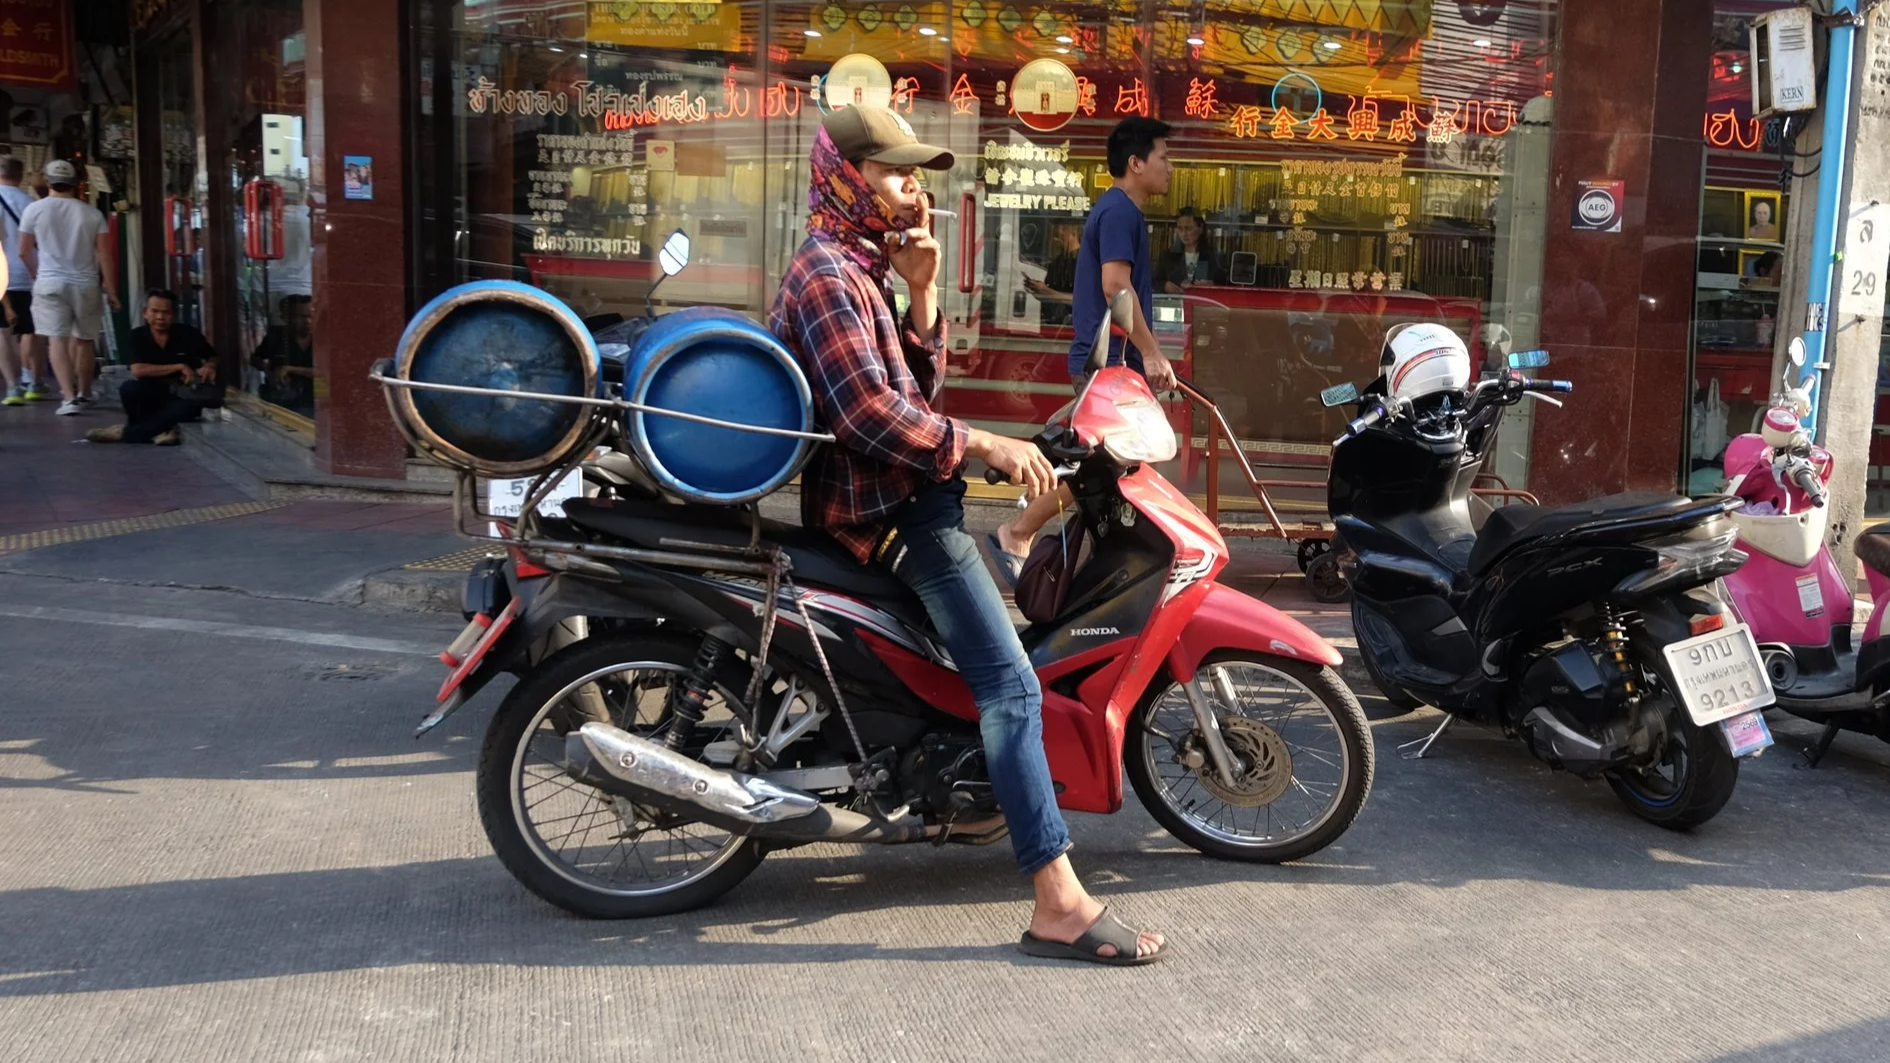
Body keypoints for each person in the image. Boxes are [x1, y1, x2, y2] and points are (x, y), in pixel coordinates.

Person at [769, 105, 1165, 965]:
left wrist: (919, 292)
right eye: (896, 174)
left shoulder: (862, 268)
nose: (913, 188)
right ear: (847, 178)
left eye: (914, 175)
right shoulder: (828, 274)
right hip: (890, 516)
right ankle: (1058, 901)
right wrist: (983, 443)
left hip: (911, 499)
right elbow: (872, 418)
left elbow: (913, 390)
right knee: (1012, 688)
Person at [990, 116, 1177, 578]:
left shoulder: (1123, 212)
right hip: (1107, 366)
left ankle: (1100, 558)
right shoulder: (1118, 212)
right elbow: (1116, 286)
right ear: (1135, 163)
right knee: (1100, 466)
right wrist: (1152, 353)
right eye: (1164, 157)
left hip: (1113, 363)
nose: (1171, 167)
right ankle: (1019, 530)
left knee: (1111, 467)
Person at [19, 159, 119, 415]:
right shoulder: (92, 213)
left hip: (49, 282)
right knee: (85, 340)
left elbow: (24, 251)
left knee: (57, 340)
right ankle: (85, 393)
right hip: (85, 283)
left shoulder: (34, 210)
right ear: (75, 183)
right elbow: (105, 255)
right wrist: (112, 289)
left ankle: (68, 397)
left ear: (48, 181)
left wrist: (36, 274)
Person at [86, 289, 219, 445]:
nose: (160, 317)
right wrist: (178, 367)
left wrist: (210, 366)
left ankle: (127, 433)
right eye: (154, 311)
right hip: (150, 391)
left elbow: (213, 355)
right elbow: (138, 370)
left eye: (166, 312)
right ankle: (161, 431)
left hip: (181, 393)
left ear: (173, 315)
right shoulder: (137, 336)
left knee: (188, 408)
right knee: (129, 388)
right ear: (145, 313)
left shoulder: (187, 333)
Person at [0, 156, 50, 406]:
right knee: (32, 331)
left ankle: (12, 387)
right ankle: (34, 381)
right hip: (31, 273)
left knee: (3, 334)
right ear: (20, 176)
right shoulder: (30, 203)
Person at [250, 293, 315, 416]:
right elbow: (255, 358)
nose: (307, 321)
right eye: (300, 317)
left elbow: (326, 372)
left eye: (310, 316)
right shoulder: (276, 335)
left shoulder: (322, 337)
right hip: (281, 402)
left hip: (313, 401)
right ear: (286, 318)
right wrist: (268, 369)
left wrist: (289, 369)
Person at [1025, 223, 1081, 327]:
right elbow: (1052, 295)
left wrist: (1045, 290)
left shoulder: (1085, 261)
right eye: (1057, 230)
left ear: (1074, 232)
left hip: (1073, 324)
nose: (1058, 235)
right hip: (1053, 322)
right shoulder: (1056, 262)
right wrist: (1038, 290)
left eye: (1063, 230)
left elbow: (1080, 301)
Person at [1160, 206, 1222, 292]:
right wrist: (1165, 285)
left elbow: (1224, 283)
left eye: (1188, 228)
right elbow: (1155, 281)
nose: (1184, 233)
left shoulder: (1213, 257)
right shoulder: (1170, 256)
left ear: (1200, 228)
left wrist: (1212, 286)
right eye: (1180, 228)